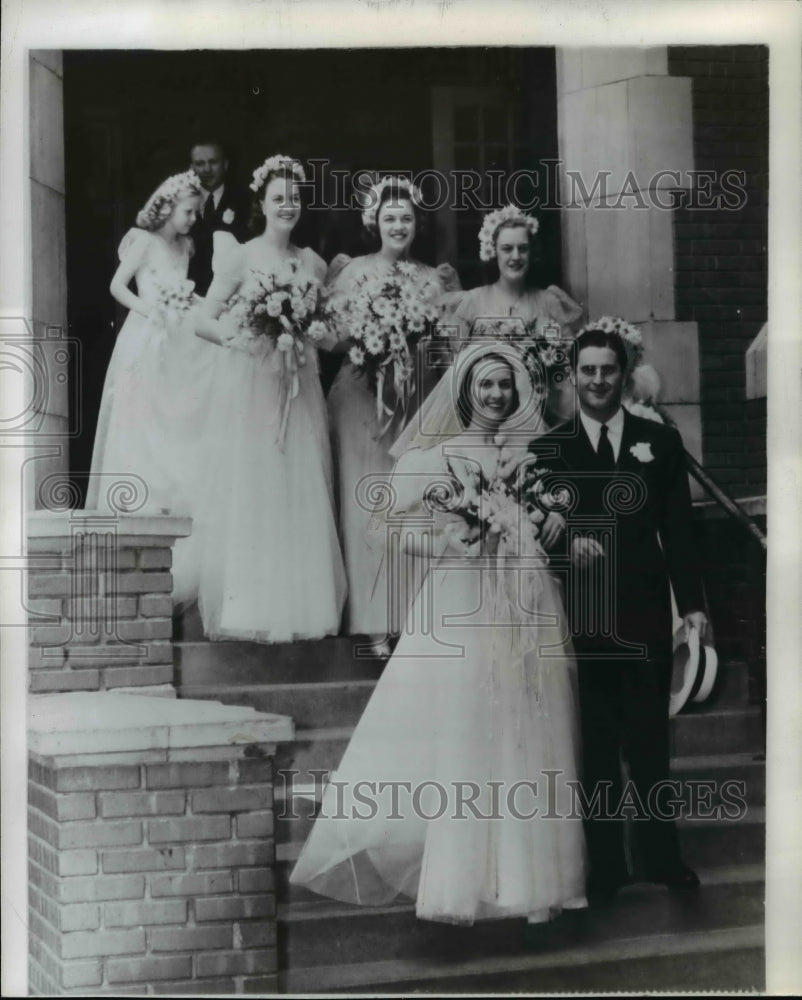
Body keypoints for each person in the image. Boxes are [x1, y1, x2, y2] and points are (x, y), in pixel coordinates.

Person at [290, 341, 587, 925]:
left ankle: (531, 882)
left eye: (506, 385)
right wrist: (443, 542)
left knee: (528, 728)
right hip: (460, 602)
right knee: (469, 726)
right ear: (465, 391)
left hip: (523, 602)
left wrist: (552, 517)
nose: (497, 395)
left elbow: (554, 515)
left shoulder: (533, 455)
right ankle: (463, 878)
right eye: (486, 385)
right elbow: (383, 529)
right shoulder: (437, 456)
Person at [529, 326, 709, 903]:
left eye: (608, 370)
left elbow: (679, 531)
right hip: (581, 614)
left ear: (623, 374)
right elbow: (534, 536)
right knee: (598, 747)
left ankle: (663, 858)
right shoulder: (547, 451)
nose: (598, 381)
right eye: (588, 371)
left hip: (645, 609)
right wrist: (565, 545)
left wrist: (696, 606)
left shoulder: (658, 442)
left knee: (650, 741)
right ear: (573, 375)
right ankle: (606, 866)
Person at [193, 154, 346, 642]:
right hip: (255, 387)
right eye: (278, 198)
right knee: (258, 486)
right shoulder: (241, 255)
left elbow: (329, 337)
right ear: (261, 202)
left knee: (300, 484)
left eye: (295, 197)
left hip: (300, 391)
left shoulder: (314, 263)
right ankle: (252, 607)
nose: (288, 205)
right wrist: (237, 340)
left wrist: (316, 328)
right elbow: (202, 318)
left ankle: (303, 608)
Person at [324, 176, 452, 653]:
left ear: (418, 224)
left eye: (407, 219)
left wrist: (416, 342)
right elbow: (329, 336)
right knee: (365, 504)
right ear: (373, 222)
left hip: (415, 402)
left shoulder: (431, 278)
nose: (398, 226)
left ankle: (410, 616)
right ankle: (372, 621)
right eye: (390, 218)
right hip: (360, 399)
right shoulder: (352, 271)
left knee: (410, 505)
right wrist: (366, 334)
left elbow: (444, 348)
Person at [443, 203, 583, 427]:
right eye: (507, 248)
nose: (515, 256)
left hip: (538, 413)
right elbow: (458, 372)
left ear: (532, 252)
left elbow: (568, 363)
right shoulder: (472, 302)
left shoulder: (548, 301)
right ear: (493, 252)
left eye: (523, 248)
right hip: (486, 415)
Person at [188, 140, 251, 295]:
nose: (207, 169)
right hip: (189, 296)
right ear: (192, 168)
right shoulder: (182, 202)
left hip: (233, 296)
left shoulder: (245, 201)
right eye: (200, 163)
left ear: (225, 165)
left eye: (213, 162)